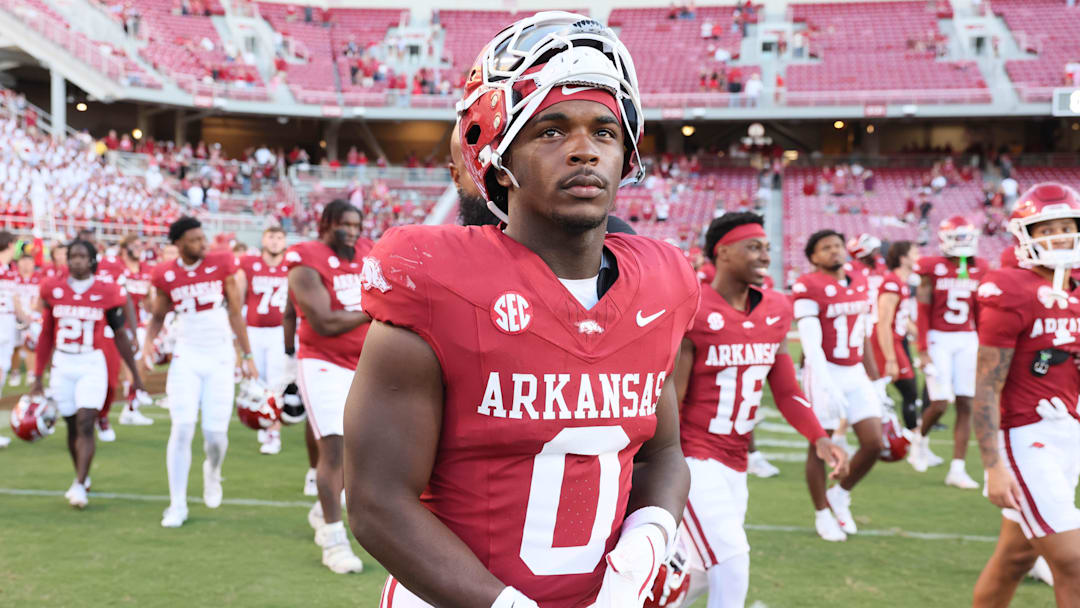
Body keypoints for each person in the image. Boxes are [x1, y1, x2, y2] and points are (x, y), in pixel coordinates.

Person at [346, 12, 696, 608]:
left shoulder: (660, 285)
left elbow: (661, 454)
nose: (585, 151)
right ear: (499, 156)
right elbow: (378, 501)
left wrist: (648, 540)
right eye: (551, 131)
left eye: (605, 132)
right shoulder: (438, 282)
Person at [674, 212, 848, 608]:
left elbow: (786, 390)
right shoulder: (693, 306)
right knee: (732, 558)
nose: (765, 255)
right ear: (722, 253)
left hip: (736, 462)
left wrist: (819, 438)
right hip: (693, 457)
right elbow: (673, 396)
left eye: (767, 247)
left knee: (701, 571)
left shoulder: (775, 307)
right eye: (753, 247)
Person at [971, 183, 1080, 607]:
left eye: (1066, 226)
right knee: (1073, 563)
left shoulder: (1074, 290)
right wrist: (993, 465)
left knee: (1014, 558)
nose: (1058, 236)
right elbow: (986, 383)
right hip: (1024, 436)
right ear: (1024, 236)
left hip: (1065, 431)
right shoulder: (1009, 287)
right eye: (1045, 228)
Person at [142, 217, 257, 528]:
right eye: (194, 239)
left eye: (202, 237)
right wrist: (148, 344)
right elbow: (157, 315)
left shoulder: (221, 262)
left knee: (215, 437)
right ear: (178, 244)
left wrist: (246, 354)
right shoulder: (165, 273)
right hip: (186, 356)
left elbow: (235, 311)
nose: (203, 244)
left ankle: (213, 471)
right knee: (182, 428)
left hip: (219, 356)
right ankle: (177, 504)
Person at [283, 200, 371, 574]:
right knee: (332, 447)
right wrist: (375, 310)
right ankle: (334, 541)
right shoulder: (305, 258)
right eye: (344, 224)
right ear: (325, 223)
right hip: (322, 361)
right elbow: (324, 322)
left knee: (361, 450)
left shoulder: (368, 251)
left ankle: (323, 508)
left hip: (365, 360)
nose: (352, 231)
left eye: (356, 224)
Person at [31, 239, 148, 508]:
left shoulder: (106, 291)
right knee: (72, 425)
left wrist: (136, 376)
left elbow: (119, 334)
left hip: (91, 363)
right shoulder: (53, 289)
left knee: (86, 421)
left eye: (82, 256)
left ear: (92, 260)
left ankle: (80, 483)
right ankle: (81, 476)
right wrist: (37, 376)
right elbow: (47, 335)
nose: (76, 261)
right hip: (63, 363)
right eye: (72, 256)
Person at [793, 229, 883, 542]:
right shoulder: (808, 284)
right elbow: (811, 343)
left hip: (854, 369)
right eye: (826, 247)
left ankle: (840, 495)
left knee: (874, 442)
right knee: (821, 445)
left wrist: (877, 380)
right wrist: (824, 381)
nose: (834, 251)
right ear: (814, 257)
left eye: (838, 245)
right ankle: (821, 513)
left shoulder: (859, 279)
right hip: (824, 369)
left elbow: (864, 334)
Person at [908, 216, 986, 489]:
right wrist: (922, 349)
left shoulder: (979, 268)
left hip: (967, 338)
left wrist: (982, 342)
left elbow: (980, 312)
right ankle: (919, 438)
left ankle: (957, 468)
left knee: (966, 403)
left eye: (967, 237)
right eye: (959, 237)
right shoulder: (931, 268)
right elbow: (923, 308)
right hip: (938, 338)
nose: (964, 243)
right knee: (940, 402)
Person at [235, 226, 289, 455]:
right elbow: (236, 301)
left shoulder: (291, 265)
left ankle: (273, 434)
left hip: (279, 331)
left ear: (285, 242)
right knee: (255, 381)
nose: (275, 242)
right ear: (263, 240)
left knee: (275, 385)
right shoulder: (248, 264)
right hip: (254, 331)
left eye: (279, 237)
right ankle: (261, 421)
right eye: (271, 237)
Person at [872, 241, 921, 431]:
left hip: (899, 340)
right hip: (889, 342)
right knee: (908, 389)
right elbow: (883, 323)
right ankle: (911, 438)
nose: (918, 257)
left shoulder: (901, 282)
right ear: (903, 258)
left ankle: (911, 438)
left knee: (909, 389)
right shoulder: (892, 283)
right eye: (914, 252)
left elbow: (902, 318)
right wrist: (890, 358)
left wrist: (920, 336)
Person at [115, 234, 154, 426]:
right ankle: (130, 404)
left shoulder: (146, 270)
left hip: (138, 324)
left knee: (141, 365)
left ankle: (132, 404)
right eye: (135, 245)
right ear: (124, 248)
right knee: (125, 367)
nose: (139, 248)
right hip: (117, 324)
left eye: (141, 245)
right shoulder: (116, 267)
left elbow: (147, 301)